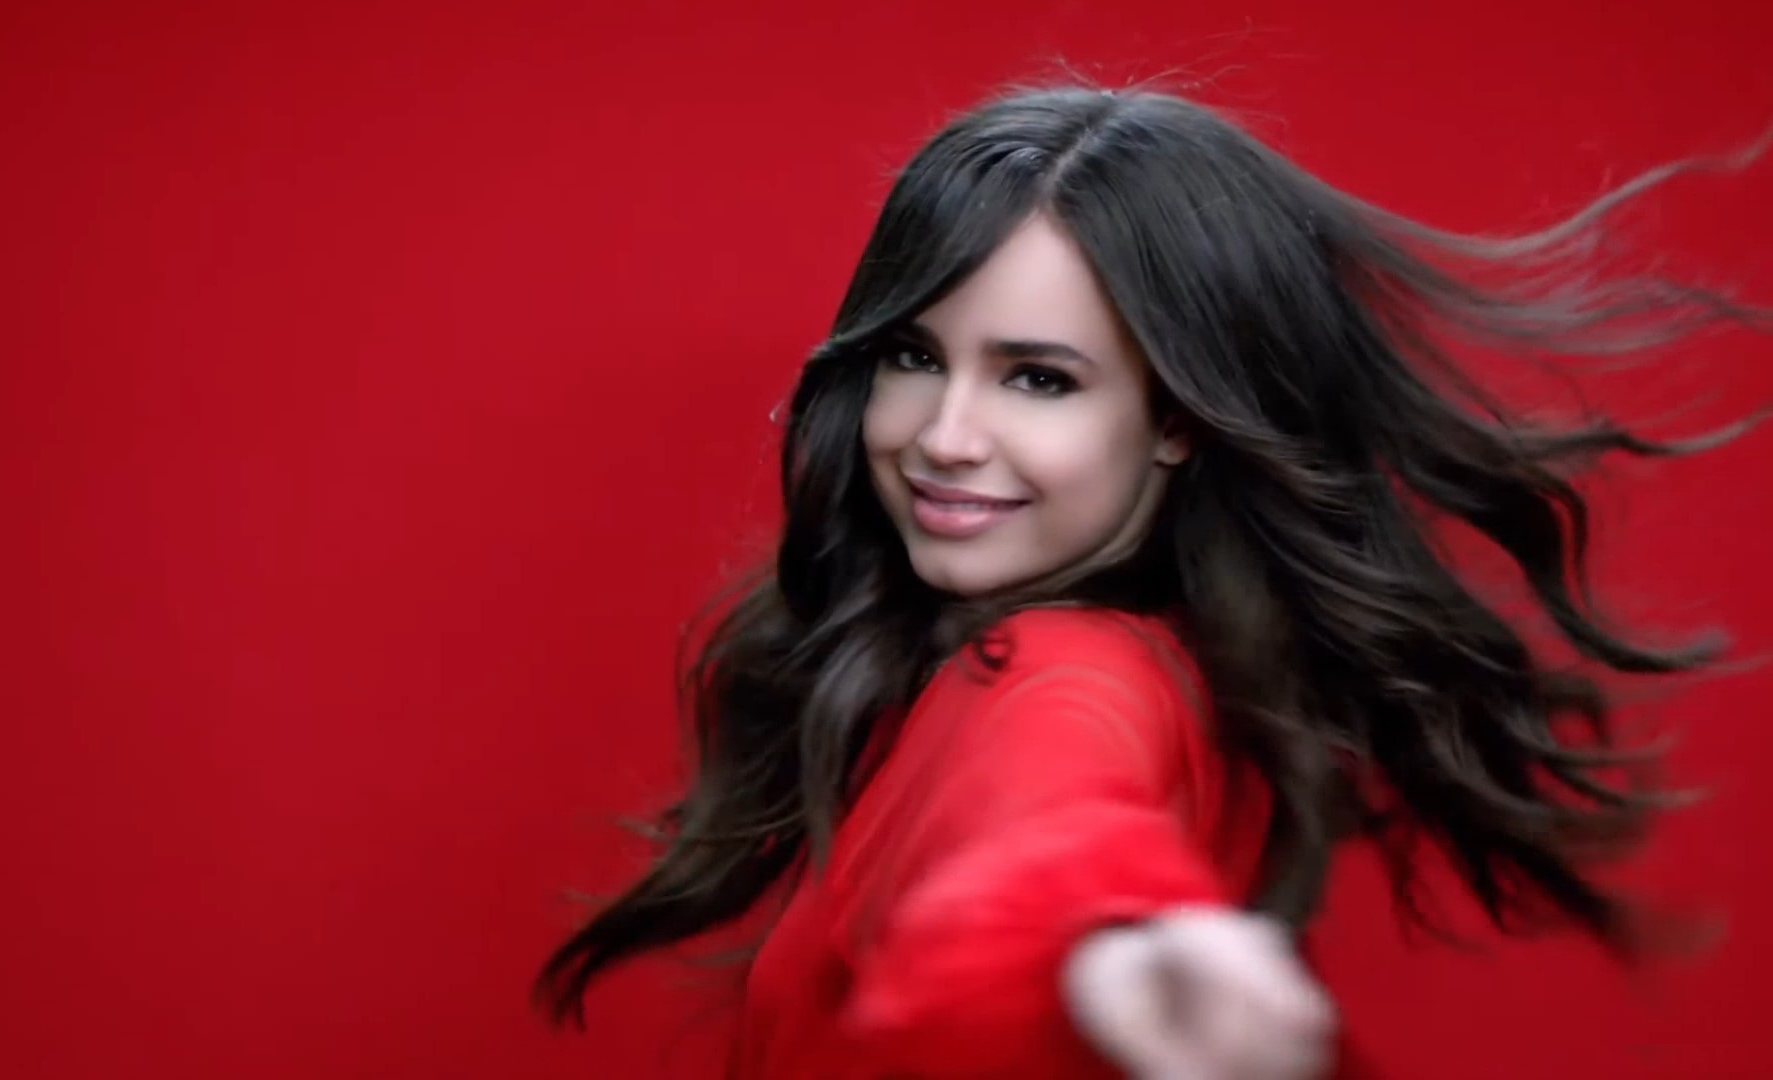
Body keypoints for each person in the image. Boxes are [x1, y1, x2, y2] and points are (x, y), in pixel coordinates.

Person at [533, 82, 1765, 1078]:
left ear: (1178, 417)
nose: (941, 436)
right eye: (914, 356)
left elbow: (1057, 816)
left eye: (1039, 379)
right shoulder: (1161, 659)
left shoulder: (1065, 670)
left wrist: (1109, 943)